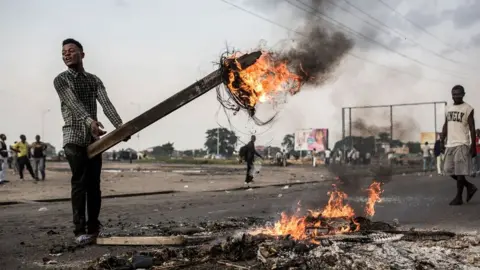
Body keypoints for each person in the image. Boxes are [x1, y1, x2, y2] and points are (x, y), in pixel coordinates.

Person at [53, 38, 128, 245]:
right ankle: (79, 231)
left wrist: (120, 126)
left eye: (71, 51)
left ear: (82, 55)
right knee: (80, 183)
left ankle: (93, 228)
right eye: (64, 52)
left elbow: (105, 103)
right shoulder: (61, 80)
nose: (66, 54)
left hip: (94, 141)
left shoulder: (94, 79)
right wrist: (89, 122)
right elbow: (73, 103)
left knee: (94, 185)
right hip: (73, 138)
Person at [441, 85, 477, 205]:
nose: (456, 96)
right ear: (451, 94)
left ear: (463, 94)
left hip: (462, 143)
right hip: (450, 144)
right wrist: (442, 140)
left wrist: (473, 145)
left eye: (458, 94)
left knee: (460, 171)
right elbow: (446, 125)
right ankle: (469, 186)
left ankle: (459, 197)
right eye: (454, 94)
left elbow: (472, 128)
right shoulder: (448, 108)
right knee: (447, 169)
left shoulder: (468, 108)